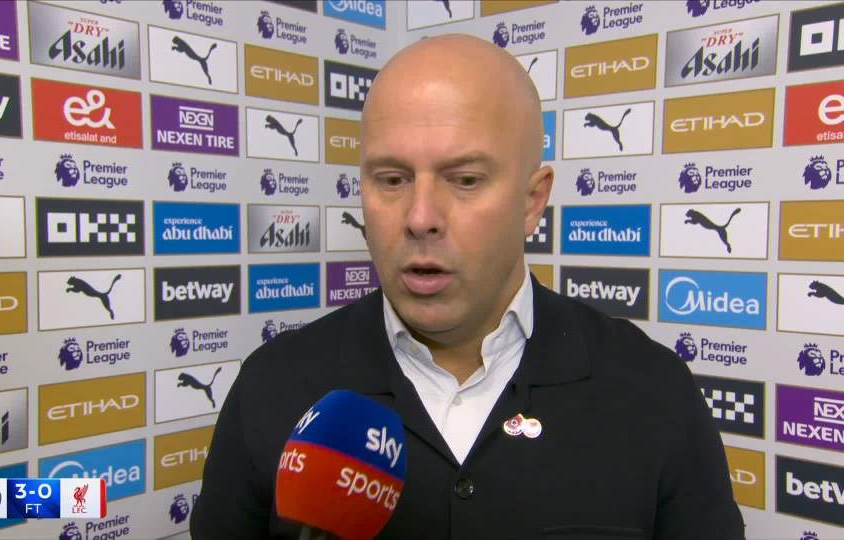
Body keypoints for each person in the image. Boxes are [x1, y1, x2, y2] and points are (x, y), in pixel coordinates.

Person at [191, 34, 745, 539]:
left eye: (465, 180)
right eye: (392, 179)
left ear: (533, 201)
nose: (420, 216)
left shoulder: (651, 389)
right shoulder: (272, 385)